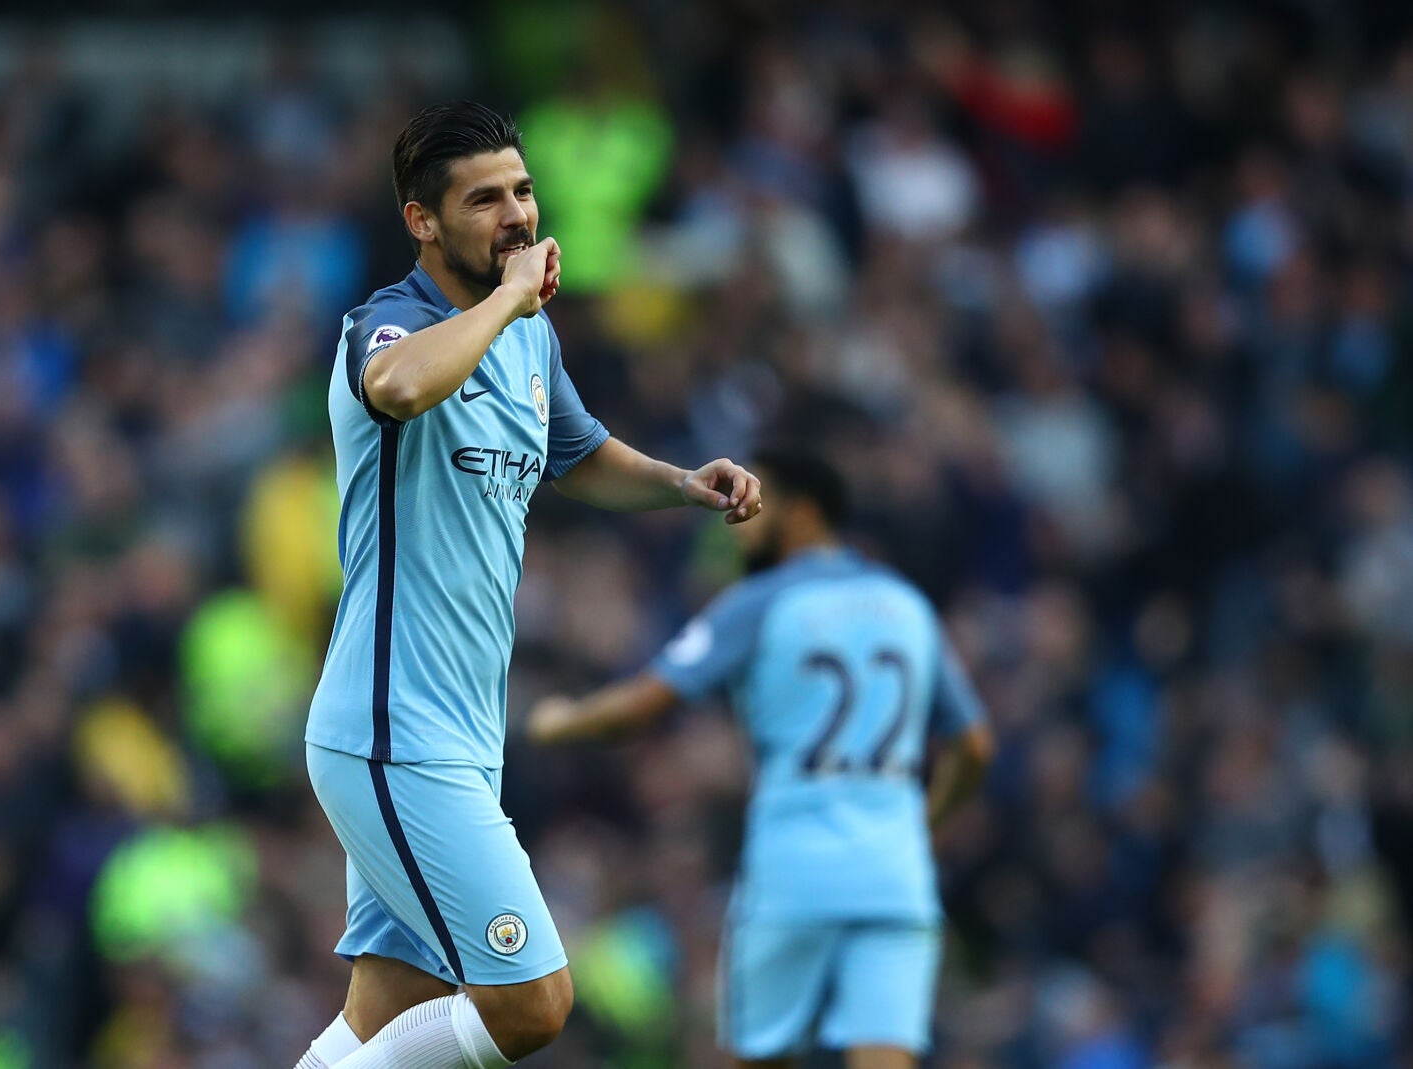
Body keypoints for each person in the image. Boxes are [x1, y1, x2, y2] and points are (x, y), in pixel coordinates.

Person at [294, 101, 763, 1069]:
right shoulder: (389, 323)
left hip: (459, 732)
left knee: (391, 1011)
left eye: (522, 191)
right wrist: (507, 299)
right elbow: (397, 390)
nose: (514, 216)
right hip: (390, 729)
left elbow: (577, 454)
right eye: (482, 200)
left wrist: (681, 484)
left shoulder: (527, 341)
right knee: (531, 1004)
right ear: (422, 220)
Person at [526, 449, 996, 1069]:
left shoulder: (763, 601)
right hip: (894, 873)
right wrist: (923, 826)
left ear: (800, 512)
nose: (737, 519)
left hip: (795, 864)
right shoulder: (908, 607)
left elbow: (640, 708)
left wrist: (561, 721)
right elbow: (975, 746)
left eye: (753, 502)